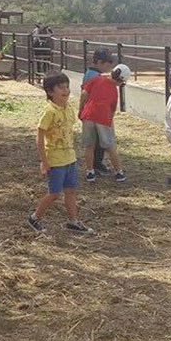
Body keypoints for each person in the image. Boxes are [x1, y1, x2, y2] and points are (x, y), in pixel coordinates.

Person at [26, 72, 93, 234]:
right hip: (55, 160)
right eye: (61, 87)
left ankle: (73, 221)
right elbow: (40, 135)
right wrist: (44, 161)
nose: (66, 90)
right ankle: (34, 218)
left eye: (67, 86)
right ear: (50, 92)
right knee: (54, 193)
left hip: (70, 158)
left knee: (70, 190)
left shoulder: (68, 108)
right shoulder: (49, 112)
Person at [80, 63, 128, 183]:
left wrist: (81, 110)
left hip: (88, 114)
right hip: (102, 118)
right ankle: (119, 172)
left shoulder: (96, 79)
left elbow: (84, 94)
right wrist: (109, 121)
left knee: (89, 146)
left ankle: (90, 172)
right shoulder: (114, 90)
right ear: (121, 80)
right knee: (110, 146)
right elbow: (112, 109)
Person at [80, 49, 117, 176]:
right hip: (97, 114)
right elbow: (86, 93)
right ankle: (97, 165)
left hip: (89, 113)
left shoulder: (89, 73)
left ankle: (93, 167)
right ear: (100, 62)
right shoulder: (95, 77)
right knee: (99, 142)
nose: (108, 67)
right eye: (107, 64)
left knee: (92, 142)